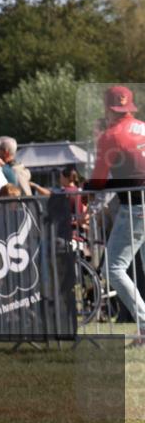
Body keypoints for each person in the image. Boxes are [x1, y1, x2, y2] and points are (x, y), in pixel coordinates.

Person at [84, 86, 145, 341]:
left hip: (136, 206)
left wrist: (86, 191)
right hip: (138, 198)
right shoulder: (142, 127)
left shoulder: (110, 136)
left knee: (113, 268)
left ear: (108, 109)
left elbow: (98, 180)